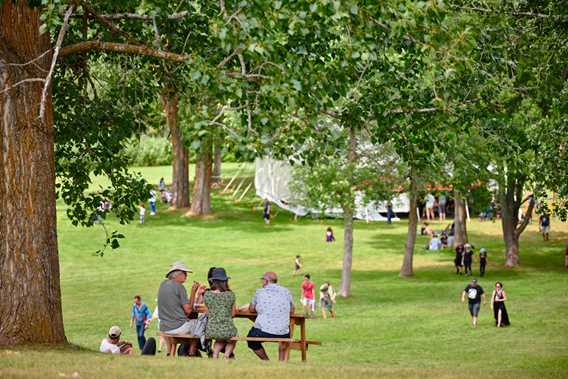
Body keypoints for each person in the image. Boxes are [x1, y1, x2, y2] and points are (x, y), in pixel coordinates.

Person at [157, 261, 203, 356]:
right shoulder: (179, 287)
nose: (186, 276)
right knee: (200, 323)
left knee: (194, 324)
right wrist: (193, 291)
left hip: (163, 327)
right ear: (178, 274)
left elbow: (179, 306)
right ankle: (192, 351)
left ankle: (171, 352)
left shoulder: (163, 284)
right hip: (177, 327)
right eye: (185, 273)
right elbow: (188, 311)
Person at [247, 272, 295, 361]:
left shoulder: (260, 292)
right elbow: (292, 310)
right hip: (283, 334)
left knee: (251, 340)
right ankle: (281, 363)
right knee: (284, 337)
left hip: (263, 331)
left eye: (262, 280)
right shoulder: (286, 291)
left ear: (266, 281)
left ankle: (266, 361)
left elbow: (251, 309)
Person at [203, 268, 238, 359]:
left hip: (211, 330)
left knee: (220, 338)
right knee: (234, 337)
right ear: (225, 281)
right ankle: (226, 355)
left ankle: (215, 355)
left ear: (213, 281)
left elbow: (207, 313)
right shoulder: (230, 294)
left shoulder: (207, 294)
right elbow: (233, 313)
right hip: (227, 329)